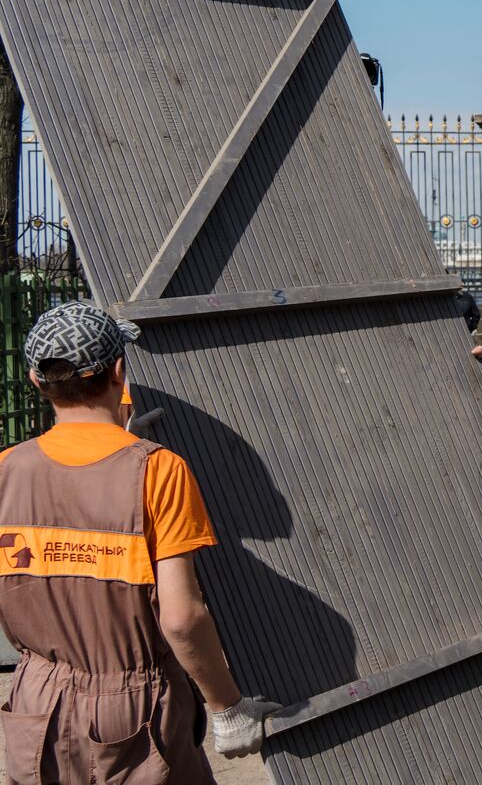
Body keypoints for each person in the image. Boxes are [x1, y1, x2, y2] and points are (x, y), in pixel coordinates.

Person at [0, 301, 278, 782]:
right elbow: (181, 617)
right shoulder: (157, 470)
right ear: (119, 371)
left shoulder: (7, 469)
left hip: (36, 701)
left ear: (36, 381)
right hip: (135, 711)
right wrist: (226, 707)